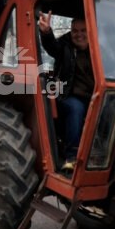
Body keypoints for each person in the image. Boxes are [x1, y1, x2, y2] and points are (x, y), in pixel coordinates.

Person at [38, 11, 94, 171]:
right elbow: (52, 47)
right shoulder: (66, 45)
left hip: (94, 95)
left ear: (90, 30)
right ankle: (72, 157)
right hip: (67, 94)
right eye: (75, 31)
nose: (79, 34)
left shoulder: (99, 47)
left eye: (83, 30)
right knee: (76, 109)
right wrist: (46, 32)